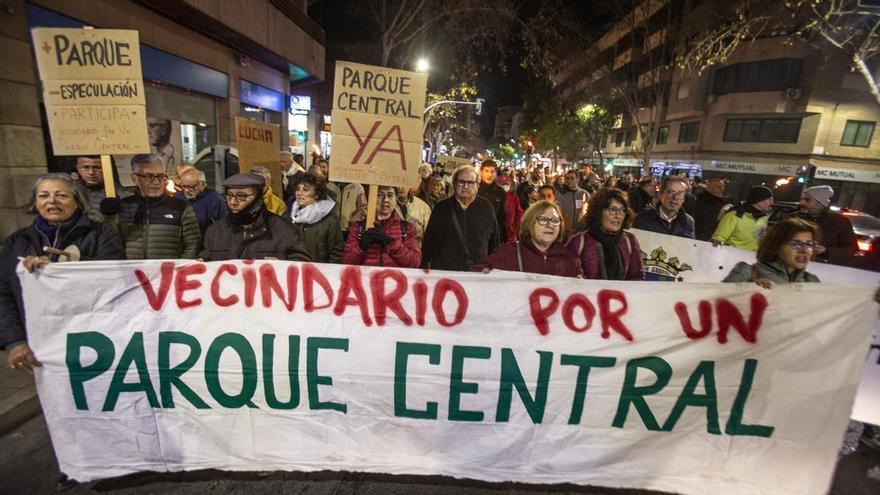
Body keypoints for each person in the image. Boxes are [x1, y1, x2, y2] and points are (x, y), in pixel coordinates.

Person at [1, 173, 125, 370]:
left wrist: (65, 269)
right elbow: (4, 294)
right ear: (35, 202)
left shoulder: (102, 235)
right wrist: (15, 342)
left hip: (93, 338)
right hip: (41, 345)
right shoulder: (18, 242)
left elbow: (113, 279)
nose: (52, 201)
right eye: (44, 196)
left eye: (61, 195)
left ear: (77, 201)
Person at [107, 154, 201, 259]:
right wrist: (107, 216)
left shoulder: (181, 208)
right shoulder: (123, 207)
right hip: (132, 273)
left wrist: (177, 270)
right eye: (149, 176)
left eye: (160, 176)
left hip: (168, 273)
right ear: (134, 178)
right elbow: (110, 242)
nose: (156, 182)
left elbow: (193, 244)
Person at [201, 173, 310, 261]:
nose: (233, 202)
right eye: (229, 195)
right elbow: (206, 259)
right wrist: (201, 261)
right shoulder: (215, 231)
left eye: (241, 196)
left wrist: (282, 266)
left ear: (258, 198)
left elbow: (303, 266)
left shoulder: (285, 231)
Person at [421, 165, 501, 271]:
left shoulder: (486, 207)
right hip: (445, 272)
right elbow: (429, 242)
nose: (465, 186)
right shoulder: (442, 208)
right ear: (454, 184)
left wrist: (492, 266)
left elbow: (494, 242)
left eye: (470, 182)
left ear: (477, 185)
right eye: (461, 182)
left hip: (476, 273)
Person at [474, 200, 581, 277]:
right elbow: (473, 276)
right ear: (530, 223)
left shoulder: (570, 259)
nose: (550, 225)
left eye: (555, 220)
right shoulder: (507, 254)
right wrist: (484, 272)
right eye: (543, 219)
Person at [566, 188, 644, 280]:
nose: (618, 216)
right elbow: (567, 275)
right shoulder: (578, 242)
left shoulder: (630, 241)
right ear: (598, 212)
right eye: (612, 210)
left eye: (622, 210)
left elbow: (637, 277)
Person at [723, 217, 821, 286]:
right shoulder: (747, 273)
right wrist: (748, 290)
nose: (804, 250)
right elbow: (717, 305)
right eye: (795, 244)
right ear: (776, 246)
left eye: (810, 244)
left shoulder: (812, 281)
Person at [342, 185, 421, 267]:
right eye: (380, 195)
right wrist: (361, 246)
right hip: (366, 278)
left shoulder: (407, 228)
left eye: (390, 195)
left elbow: (415, 262)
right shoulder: (358, 227)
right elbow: (345, 262)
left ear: (395, 199)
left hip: (394, 279)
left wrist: (391, 242)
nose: (385, 200)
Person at [793, 185, 856, 266]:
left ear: (820, 202)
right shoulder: (794, 218)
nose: (802, 203)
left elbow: (851, 249)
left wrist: (826, 251)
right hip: (794, 264)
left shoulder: (840, 221)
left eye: (807, 200)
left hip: (824, 267)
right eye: (801, 199)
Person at [288, 173, 342, 263]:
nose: (299, 193)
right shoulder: (288, 215)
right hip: (294, 271)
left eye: (305, 190)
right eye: (298, 189)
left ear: (316, 194)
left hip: (319, 272)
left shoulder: (329, 220)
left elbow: (336, 251)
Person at [711, 185, 774, 251]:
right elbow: (718, 238)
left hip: (752, 258)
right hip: (732, 257)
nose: (772, 202)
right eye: (769, 199)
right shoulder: (734, 215)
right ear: (759, 200)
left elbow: (760, 238)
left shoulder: (763, 218)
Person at [175, 168, 227, 236]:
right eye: (184, 187)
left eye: (191, 187)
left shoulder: (215, 200)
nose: (186, 191)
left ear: (202, 184)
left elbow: (223, 227)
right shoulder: (178, 197)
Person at [477, 160, 508, 242]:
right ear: (481, 172)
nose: (489, 174)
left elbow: (502, 215)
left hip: (493, 235)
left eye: (492, 171)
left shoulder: (501, 192)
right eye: (486, 171)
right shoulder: (474, 189)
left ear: (496, 173)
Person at [555, 169, 589, 233]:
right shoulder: (558, 194)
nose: (569, 180)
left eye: (572, 178)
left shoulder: (584, 193)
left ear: (577, 179)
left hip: (580, 230)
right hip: (563, 230)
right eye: (567, 178)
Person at [496, 172, 524, 243]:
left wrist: (515, 227)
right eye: (502, 184)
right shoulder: (495, 196)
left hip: (510, 233)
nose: (505, 186)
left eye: (506, 184)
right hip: (497, 231)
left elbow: (519, 212)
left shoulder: (514, 197)